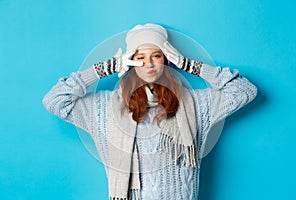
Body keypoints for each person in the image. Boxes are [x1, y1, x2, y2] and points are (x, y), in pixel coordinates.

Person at [43, 23, 257, 200]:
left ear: (166, 59)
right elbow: (56, 100)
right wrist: (105, 68)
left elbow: (243, 90)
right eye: (140, 57)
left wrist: (189, 65)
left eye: (156, 56)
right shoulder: (104, 108)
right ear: (131, 63)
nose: (149, 65)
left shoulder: (194, 104)